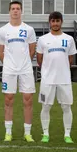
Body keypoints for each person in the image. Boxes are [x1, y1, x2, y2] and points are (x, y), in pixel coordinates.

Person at [0, 1, 36, 142]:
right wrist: (9, 64)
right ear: (9, 11)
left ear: (21, 11)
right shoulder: (2, 30)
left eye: (18, 9)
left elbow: (32, 50)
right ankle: (8, 132)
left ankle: (27, 133)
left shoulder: (29, 30)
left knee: (28, 100)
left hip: (25, 69)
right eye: (13, 9)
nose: (15, 11)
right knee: (8, 100)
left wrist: (24, 62)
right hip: (9, 70)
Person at [37, 11, 76, 144]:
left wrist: (62, 69)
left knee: (66, 107)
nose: (55, 23)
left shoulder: (69, 39)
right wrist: (48, 70)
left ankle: (67, 134)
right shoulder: (42, 39)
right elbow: (39, 59)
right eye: (53, 21)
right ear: (50, 22)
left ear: (61, 22)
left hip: (64, 79)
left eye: (57, 21)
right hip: (47, 80)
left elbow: (70, 59)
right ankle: (45, 134)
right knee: (46, 107)